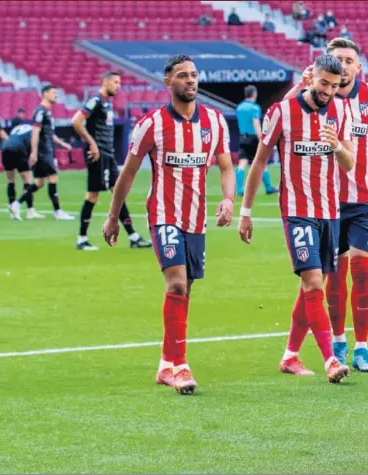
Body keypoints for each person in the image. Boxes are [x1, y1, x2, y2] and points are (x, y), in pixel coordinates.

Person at [102, 55, 235, 395]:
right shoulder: (152, 124)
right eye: (182, 75)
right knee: (176, 284)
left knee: (185, 290)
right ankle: (180, 366)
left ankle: (165, 363)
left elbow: (225, 166)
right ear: (167, 83)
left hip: (196, 217)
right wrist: (113, 216)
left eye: (193, 75)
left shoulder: (216, 121)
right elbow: (128, 172)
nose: (190, 80)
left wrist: (228, 199)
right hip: (164, 214)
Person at [282, 38, 368, 372]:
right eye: (339, 59)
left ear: (359, 66)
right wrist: (301, 84)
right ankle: (336, 340)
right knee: (330, 279)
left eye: (350, 60)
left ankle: (362, 347)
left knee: (362, 271)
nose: (345, 65)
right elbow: (282, 115)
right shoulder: (316, 94)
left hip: (364, 196)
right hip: (327, 199)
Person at [238, 54, 355, 383]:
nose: (328, 91)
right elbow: (259, 163)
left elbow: (350, 164)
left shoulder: (341, 111)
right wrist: (245, 212)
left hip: (329, 211)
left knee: (311, 287)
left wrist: (336, 148)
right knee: (314, 283)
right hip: (297, 211)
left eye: (334, 86)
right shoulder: (282, 113)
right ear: (310, 78)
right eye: (323, 83)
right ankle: (331, 359)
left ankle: (290, 355)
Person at [71, 71, 151, 250]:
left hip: (108, 155)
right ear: (105, 82)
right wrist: (92, 144)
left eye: (119, 83)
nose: (118, 86)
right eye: (115, 82)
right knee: (92, 195)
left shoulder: (107, 103)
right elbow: (76, 121)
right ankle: (82, 239)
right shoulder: (96, 101)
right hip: (98, 155)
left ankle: (134, 236)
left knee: (118, 193)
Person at [9, 85, 74, 220]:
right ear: (45, 94)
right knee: (53, 178)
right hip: (44, 151)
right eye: (53, 92)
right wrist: (34, 152)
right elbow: (35, 132)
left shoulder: (47, 112)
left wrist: (61, 144)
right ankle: (58, 212)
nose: (56, 95)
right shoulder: (40, 112)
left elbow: (49, 134)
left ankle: (16, 204)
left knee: (39, 183)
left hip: (46, 149)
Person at [235, 85, 278, 197]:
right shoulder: (255, 107)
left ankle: (240, 189)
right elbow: (256, 123)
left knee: (242, 163)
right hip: (253, 138)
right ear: (254, 94)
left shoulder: (239, 107)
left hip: (243, 138)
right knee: (262, 163)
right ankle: (268, 187)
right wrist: (262, 138)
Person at [2, 123, 45, 220]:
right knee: (28, 180)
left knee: (10, 180)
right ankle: (30, 211)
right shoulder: (34, 130)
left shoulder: (16, 128)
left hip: (6, 148)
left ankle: (13, 212)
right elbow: (33, 145)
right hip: (19, 148)